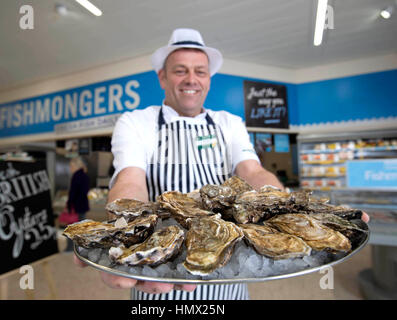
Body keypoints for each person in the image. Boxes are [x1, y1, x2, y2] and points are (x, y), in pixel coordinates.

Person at [74, 28, 369, 299]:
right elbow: (131, 178)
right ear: (162, 77)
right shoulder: (137, 121)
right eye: (180, 71)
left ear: (208, 79)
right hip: (160, 280)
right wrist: (122, 230)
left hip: (228, 274)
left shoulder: (229, 122)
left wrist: (290, 213)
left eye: (200, 71)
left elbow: (252, 171)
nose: (191, 79)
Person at [67, 156, 90, 222]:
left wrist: (69, 204)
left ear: (76, 166)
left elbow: (73, 192)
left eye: (71, 166)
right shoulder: (84, 175)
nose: (70, 168)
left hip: (77, 206)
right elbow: (86, 190)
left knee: (77, 226)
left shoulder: (76, 176)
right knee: (82, 223)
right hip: (83, 204)